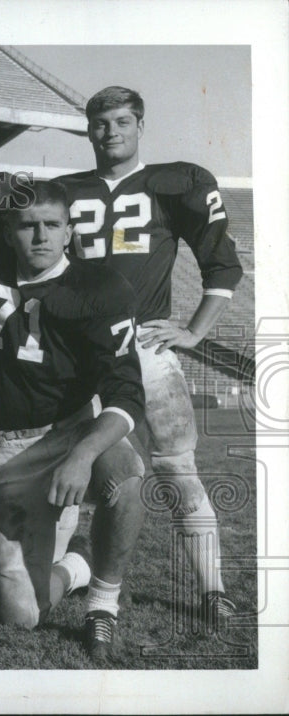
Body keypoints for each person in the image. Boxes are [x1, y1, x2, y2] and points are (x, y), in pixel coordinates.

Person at [57, 86, 243, 625]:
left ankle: (213, 591)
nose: (110, 132)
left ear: (140, 125)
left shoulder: (172, 184)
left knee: (177, 470)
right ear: (88, 129)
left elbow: (223, 267)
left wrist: (193, 331)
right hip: (78, 350)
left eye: (121, 121)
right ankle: (58, 571)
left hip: (144, 346)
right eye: (100, 123)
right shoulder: (66, 190)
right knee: (73, 470)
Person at [0, 181, 146, 662]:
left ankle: (102, 603)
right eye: (26, 225)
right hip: (9, 445)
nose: (39, 236)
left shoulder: (99, 287)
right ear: (6, 231)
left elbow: (128, 395)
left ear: (68, 232)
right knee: (20, 616)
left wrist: (82, 456)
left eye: (51, 225)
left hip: (71, 429)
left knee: (126, 477)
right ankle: (76, 563)